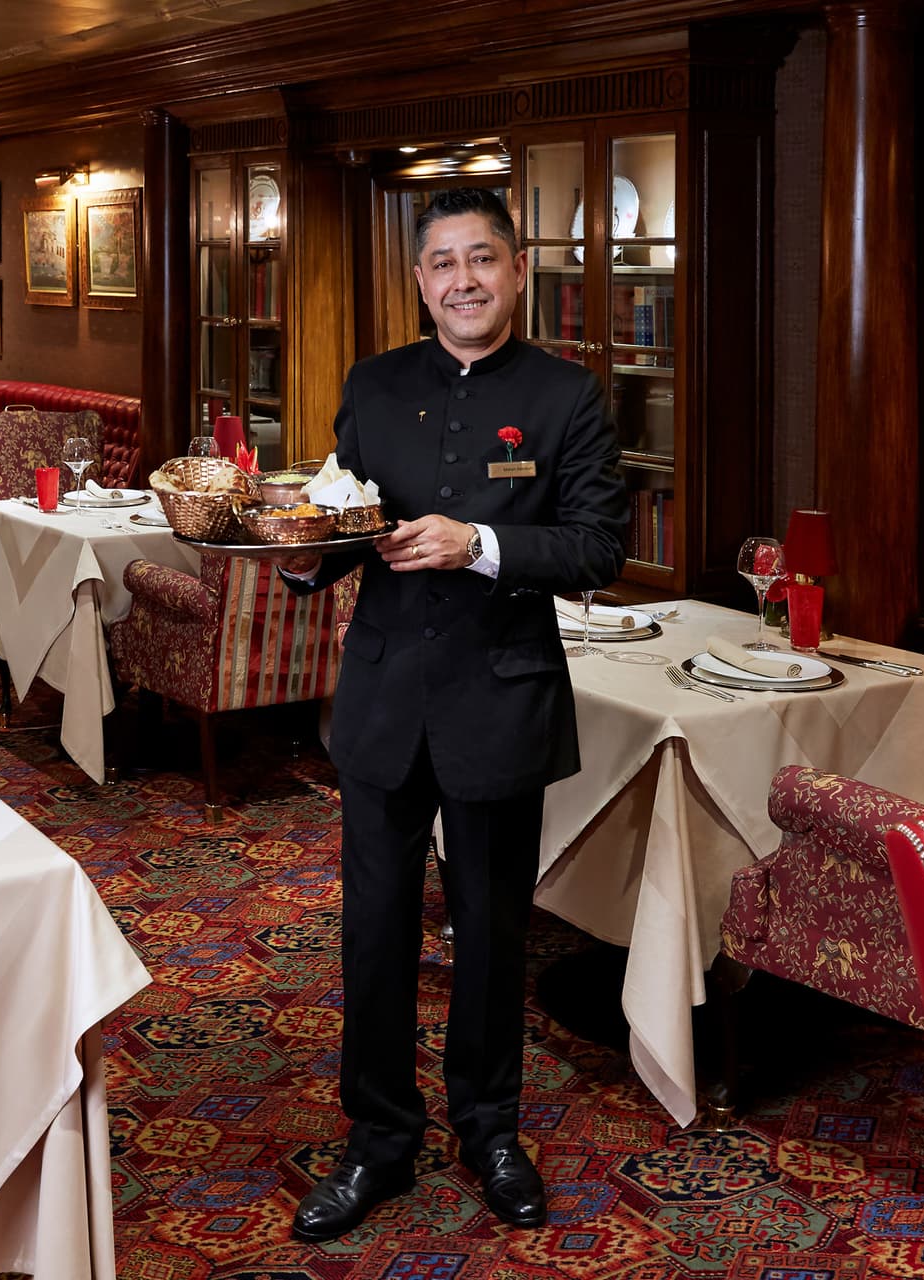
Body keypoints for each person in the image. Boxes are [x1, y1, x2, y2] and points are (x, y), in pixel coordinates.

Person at [279, 188, 628, 1241]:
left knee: (490, 931)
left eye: (483, 259)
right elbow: (340, 520)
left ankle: (490, 1129)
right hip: (384, 700)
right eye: (442, 262)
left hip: (499, 697)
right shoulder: (374, 384)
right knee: (374, 934)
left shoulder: (569, 395)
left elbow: (597, 547)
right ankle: (377, 1138)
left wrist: (476, 543)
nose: (463, 279)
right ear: (419, 279)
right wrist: (302, 557)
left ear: (518, 272)